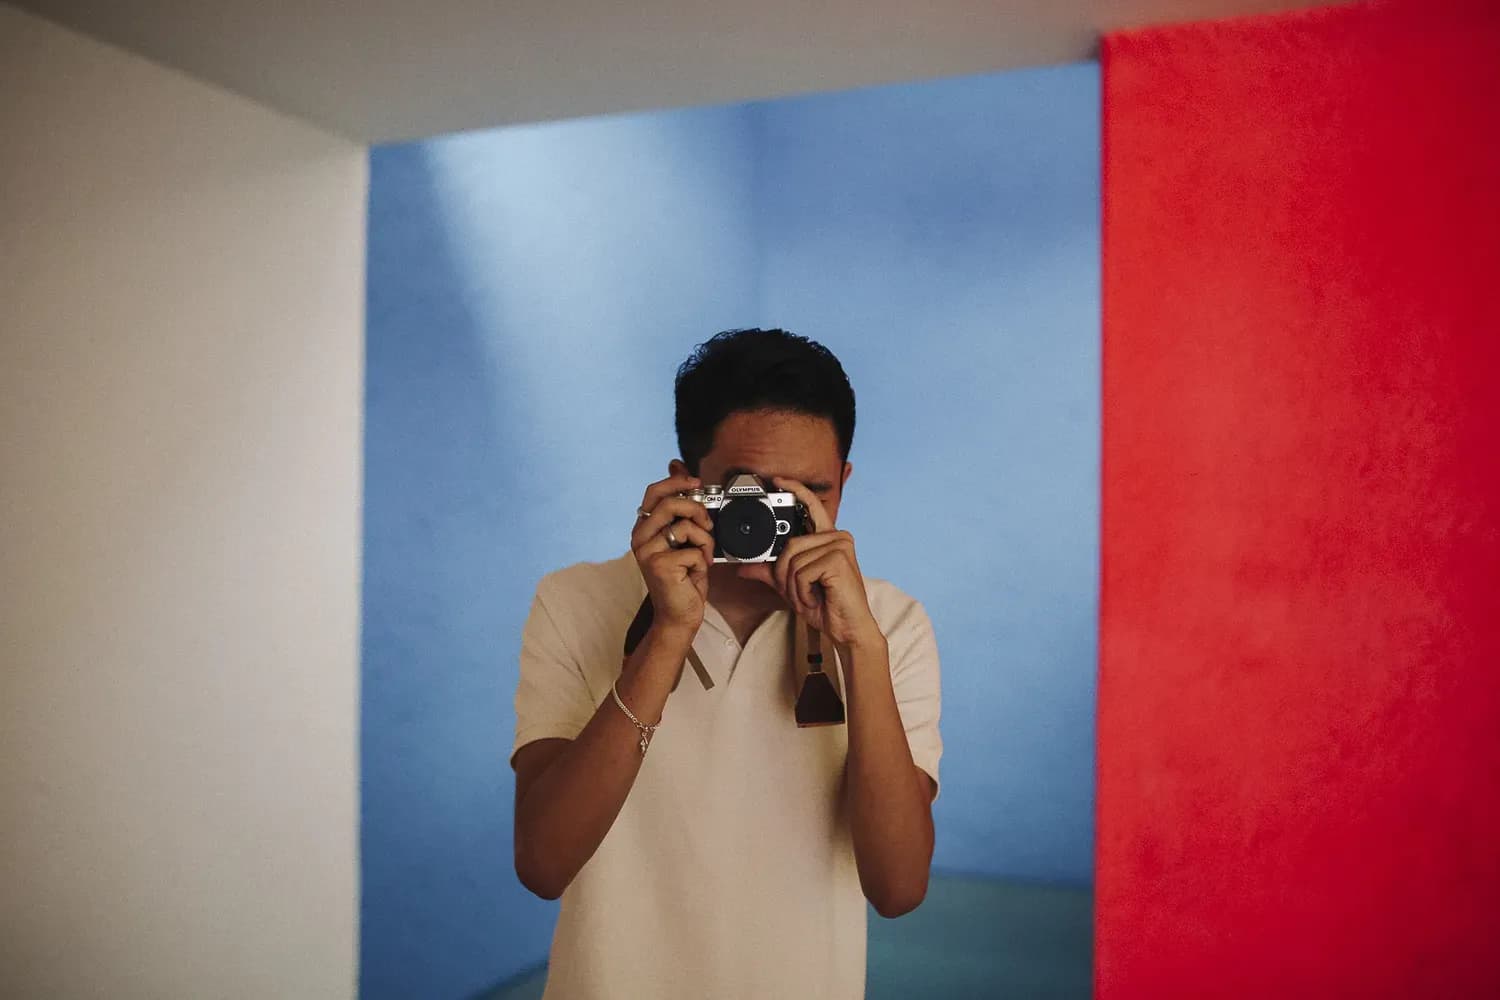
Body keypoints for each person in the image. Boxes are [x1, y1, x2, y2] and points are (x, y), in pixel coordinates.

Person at [511, 328, 942, 999]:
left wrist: (860, 648)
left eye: (810, 495)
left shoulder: (889, 624)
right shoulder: (578, 600)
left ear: (845, 484)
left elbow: (898, 887)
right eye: (754, 493)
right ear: (686, 481)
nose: (778, 520)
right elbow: (542, 863)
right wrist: (668, 631)